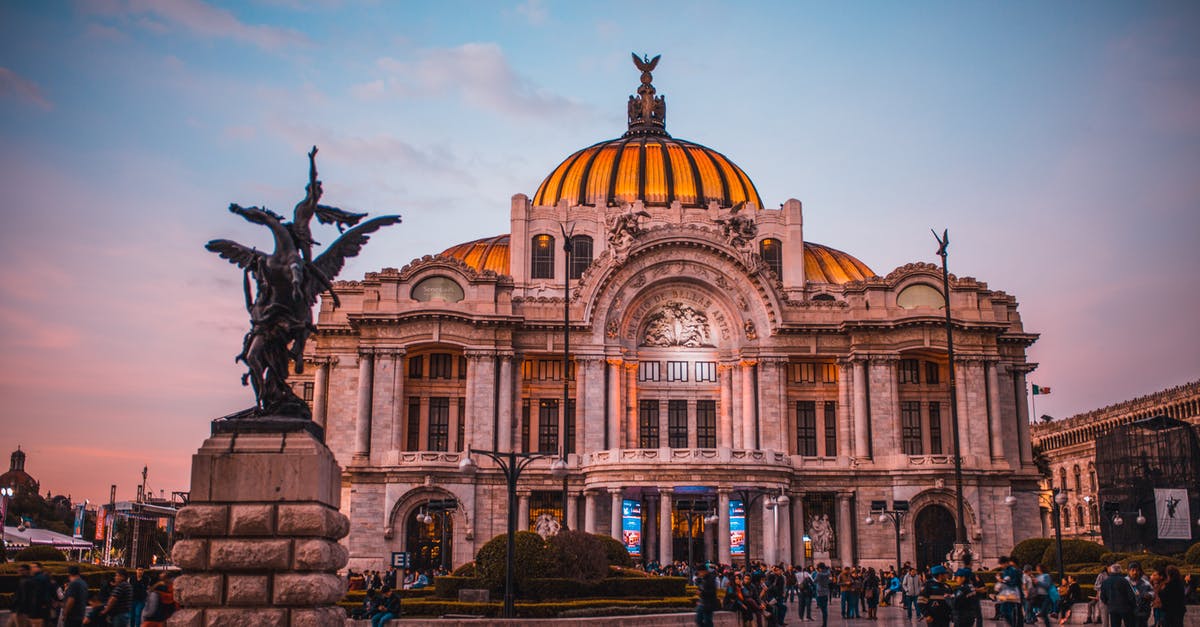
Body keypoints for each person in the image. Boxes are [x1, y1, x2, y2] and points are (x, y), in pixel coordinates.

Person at [996, 556, 1024, 627]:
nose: (1000, 566)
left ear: (1005, 563)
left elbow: (1014, 583)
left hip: (1014, 594)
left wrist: (1002, 581)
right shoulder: (1005, 571)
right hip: (1007, 594)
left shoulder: (1013, 570)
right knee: (1004, 611)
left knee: (1015, 613)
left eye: (1001, 564)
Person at [1126, 562, 1154, 627]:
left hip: (1143, 612)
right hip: (1130, 612)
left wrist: (1149, 595)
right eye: (1132, 570)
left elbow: (1152, 592)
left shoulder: (1145, 582)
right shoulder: (1124, 582)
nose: (1135, 572)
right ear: (1128, 571)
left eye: (1137, 570)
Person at [695, 563, 719, 627]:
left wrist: (702, 593)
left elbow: (712, 592)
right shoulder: (702, 579)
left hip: (708, 604)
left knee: (708, 621)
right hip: (702, 603)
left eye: (700, 572)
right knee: (698, 620)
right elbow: (700, 588)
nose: (699, 574)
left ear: (704, 571)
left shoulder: (711, 579)